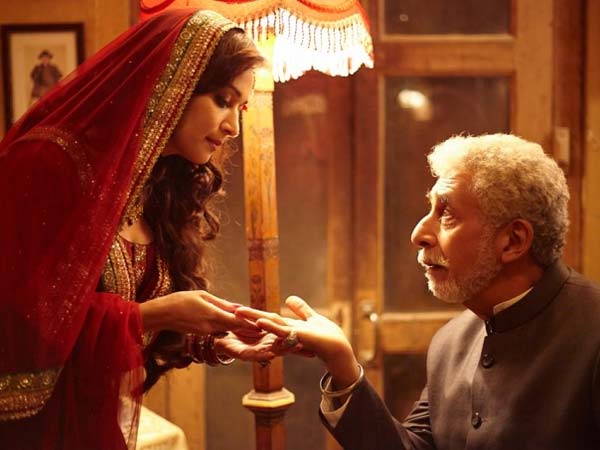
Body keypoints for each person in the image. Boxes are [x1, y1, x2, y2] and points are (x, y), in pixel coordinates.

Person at [0, 9, 278, 450]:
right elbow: (21, 327)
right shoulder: (47, 164)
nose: (232, 127)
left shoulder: (155, 183)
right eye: (222, 100)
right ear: (172, 82)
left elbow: (131, 314)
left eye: (239, 108)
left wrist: (212, 341)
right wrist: (155, 315)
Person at [240, 134, 600, 450]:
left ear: (513, 241)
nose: (418, 234)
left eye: (447, 214)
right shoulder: (451, 342)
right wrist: (342, 365)